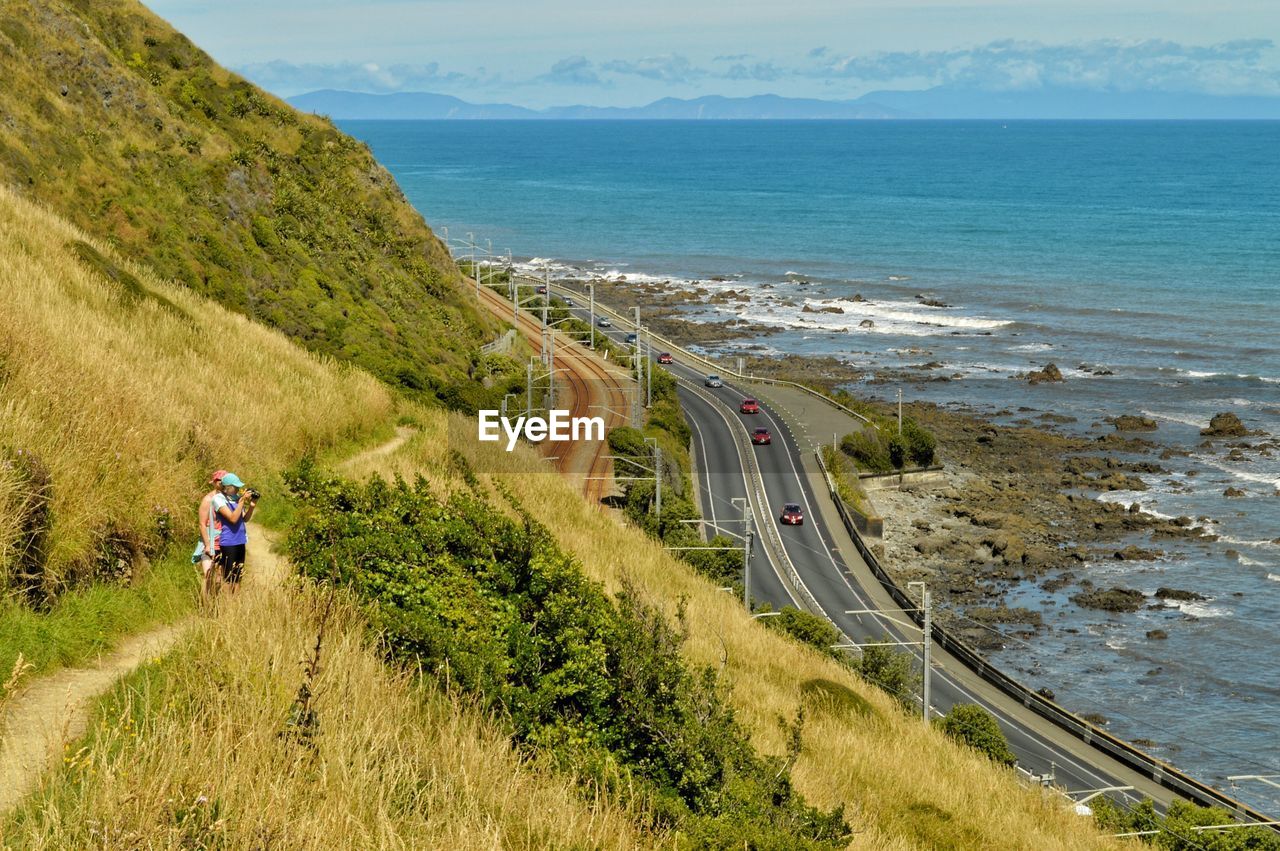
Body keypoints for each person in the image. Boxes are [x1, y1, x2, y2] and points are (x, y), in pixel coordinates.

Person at [213, 472, 257, 592]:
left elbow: (244, 519)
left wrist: (252, 506)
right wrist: (241, 502)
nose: (238, 489)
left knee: (237, 577)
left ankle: (235, 605)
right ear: (227, 487)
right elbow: (232, 519)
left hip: (240, 541)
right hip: (228, 542)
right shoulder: (218, 499)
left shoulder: (236, 499)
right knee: (228, 578)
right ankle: (227, 605)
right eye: (235, 487)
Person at [194, 470, 227, 605]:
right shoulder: (208, 500)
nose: (222, 483)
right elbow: (202, 524)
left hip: (224, 540)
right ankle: (205, 606)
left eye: (224, 480)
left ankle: (215, 604)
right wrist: (208, 545)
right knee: (207, 574)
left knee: (219, 577)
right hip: (210, 540)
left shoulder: (227, 499)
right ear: (214, 482)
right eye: (219, 480)